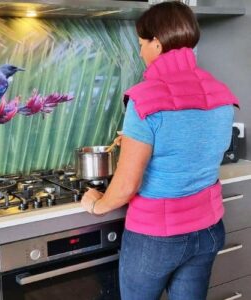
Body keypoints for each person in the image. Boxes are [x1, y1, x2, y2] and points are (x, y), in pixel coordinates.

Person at [81, 1, 239, 299]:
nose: (140, 52)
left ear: (157, 43)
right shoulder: (222, 93)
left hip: (156, 237)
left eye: (142, 44)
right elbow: (194, 146)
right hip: (208, 229)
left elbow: (127, 185)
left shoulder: (144, 99)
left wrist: (97, 204)